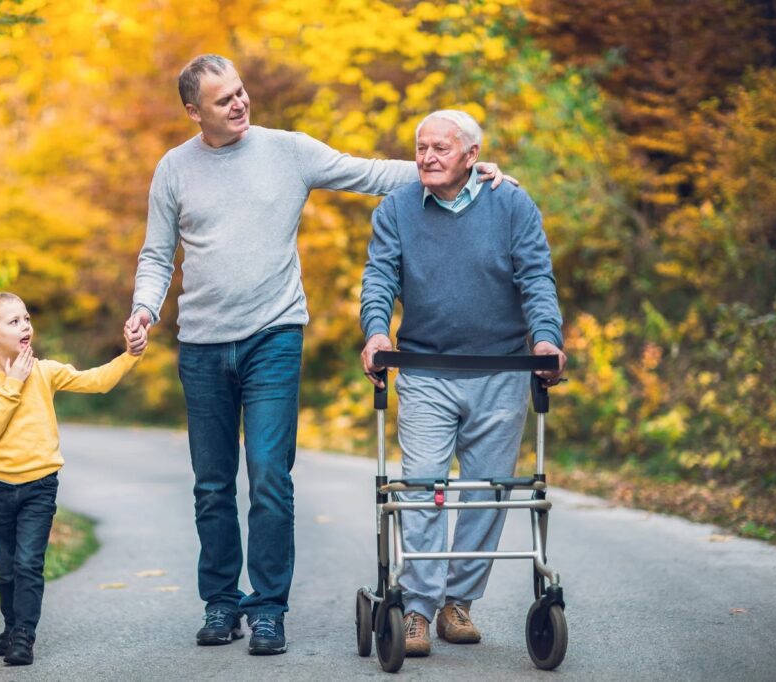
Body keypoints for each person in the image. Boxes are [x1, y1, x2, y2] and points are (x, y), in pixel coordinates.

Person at [125, 54, 512, 656]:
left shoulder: (288, 150)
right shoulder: (174, 169)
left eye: (242, 91)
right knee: (211, 484)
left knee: (272, 480)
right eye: (224, 98)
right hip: (200, 343)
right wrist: (145, 309)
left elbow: (374, 175)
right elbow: (156, 255)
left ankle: (269, 610)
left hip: (275, 334)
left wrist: (461, 169)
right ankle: (221, 602)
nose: (240, 103)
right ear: (193, 110)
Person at [359, 110, 566, 657]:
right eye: (421, 147)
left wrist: (545, 339)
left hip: (502, 369)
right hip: (425, 369)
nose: (426, 157)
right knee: (424, 486)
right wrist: (377, 332)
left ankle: (459, 604)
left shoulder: (512, 203)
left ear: (471, 156)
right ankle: (419, 611)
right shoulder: (397, 209)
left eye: (440, 149)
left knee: (487, 491)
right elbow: (380, 276)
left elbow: (536, 277)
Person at [0, 291, 146, 666]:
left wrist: (130, 355)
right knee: (7, 568)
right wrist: (12, 383)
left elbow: (95, 381)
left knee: (29, 563)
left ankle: (24, 638)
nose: (25, 326)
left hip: (40, 486)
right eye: (13, 321)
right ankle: (11, 627)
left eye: (27, 318)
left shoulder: (45, 371)